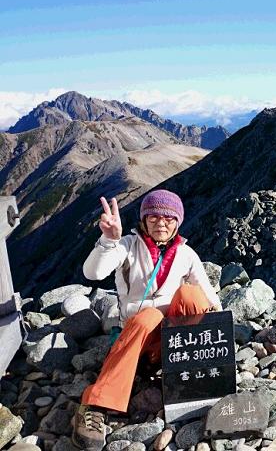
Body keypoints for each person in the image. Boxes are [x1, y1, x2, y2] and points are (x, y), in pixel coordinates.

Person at [72, 189, 222, 451]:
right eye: (153, 216)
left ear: (178, 221)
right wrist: (108, 241)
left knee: (191, 295)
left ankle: (199, 379)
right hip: (137, 338)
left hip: (173, 343)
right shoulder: (127, 246)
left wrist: (221, 341)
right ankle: (97, 405)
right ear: (143, 219)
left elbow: (209, 298)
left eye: (168, 217)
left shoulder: (186, 254)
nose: (161, 223)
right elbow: (93, 273)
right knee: (150, 315)